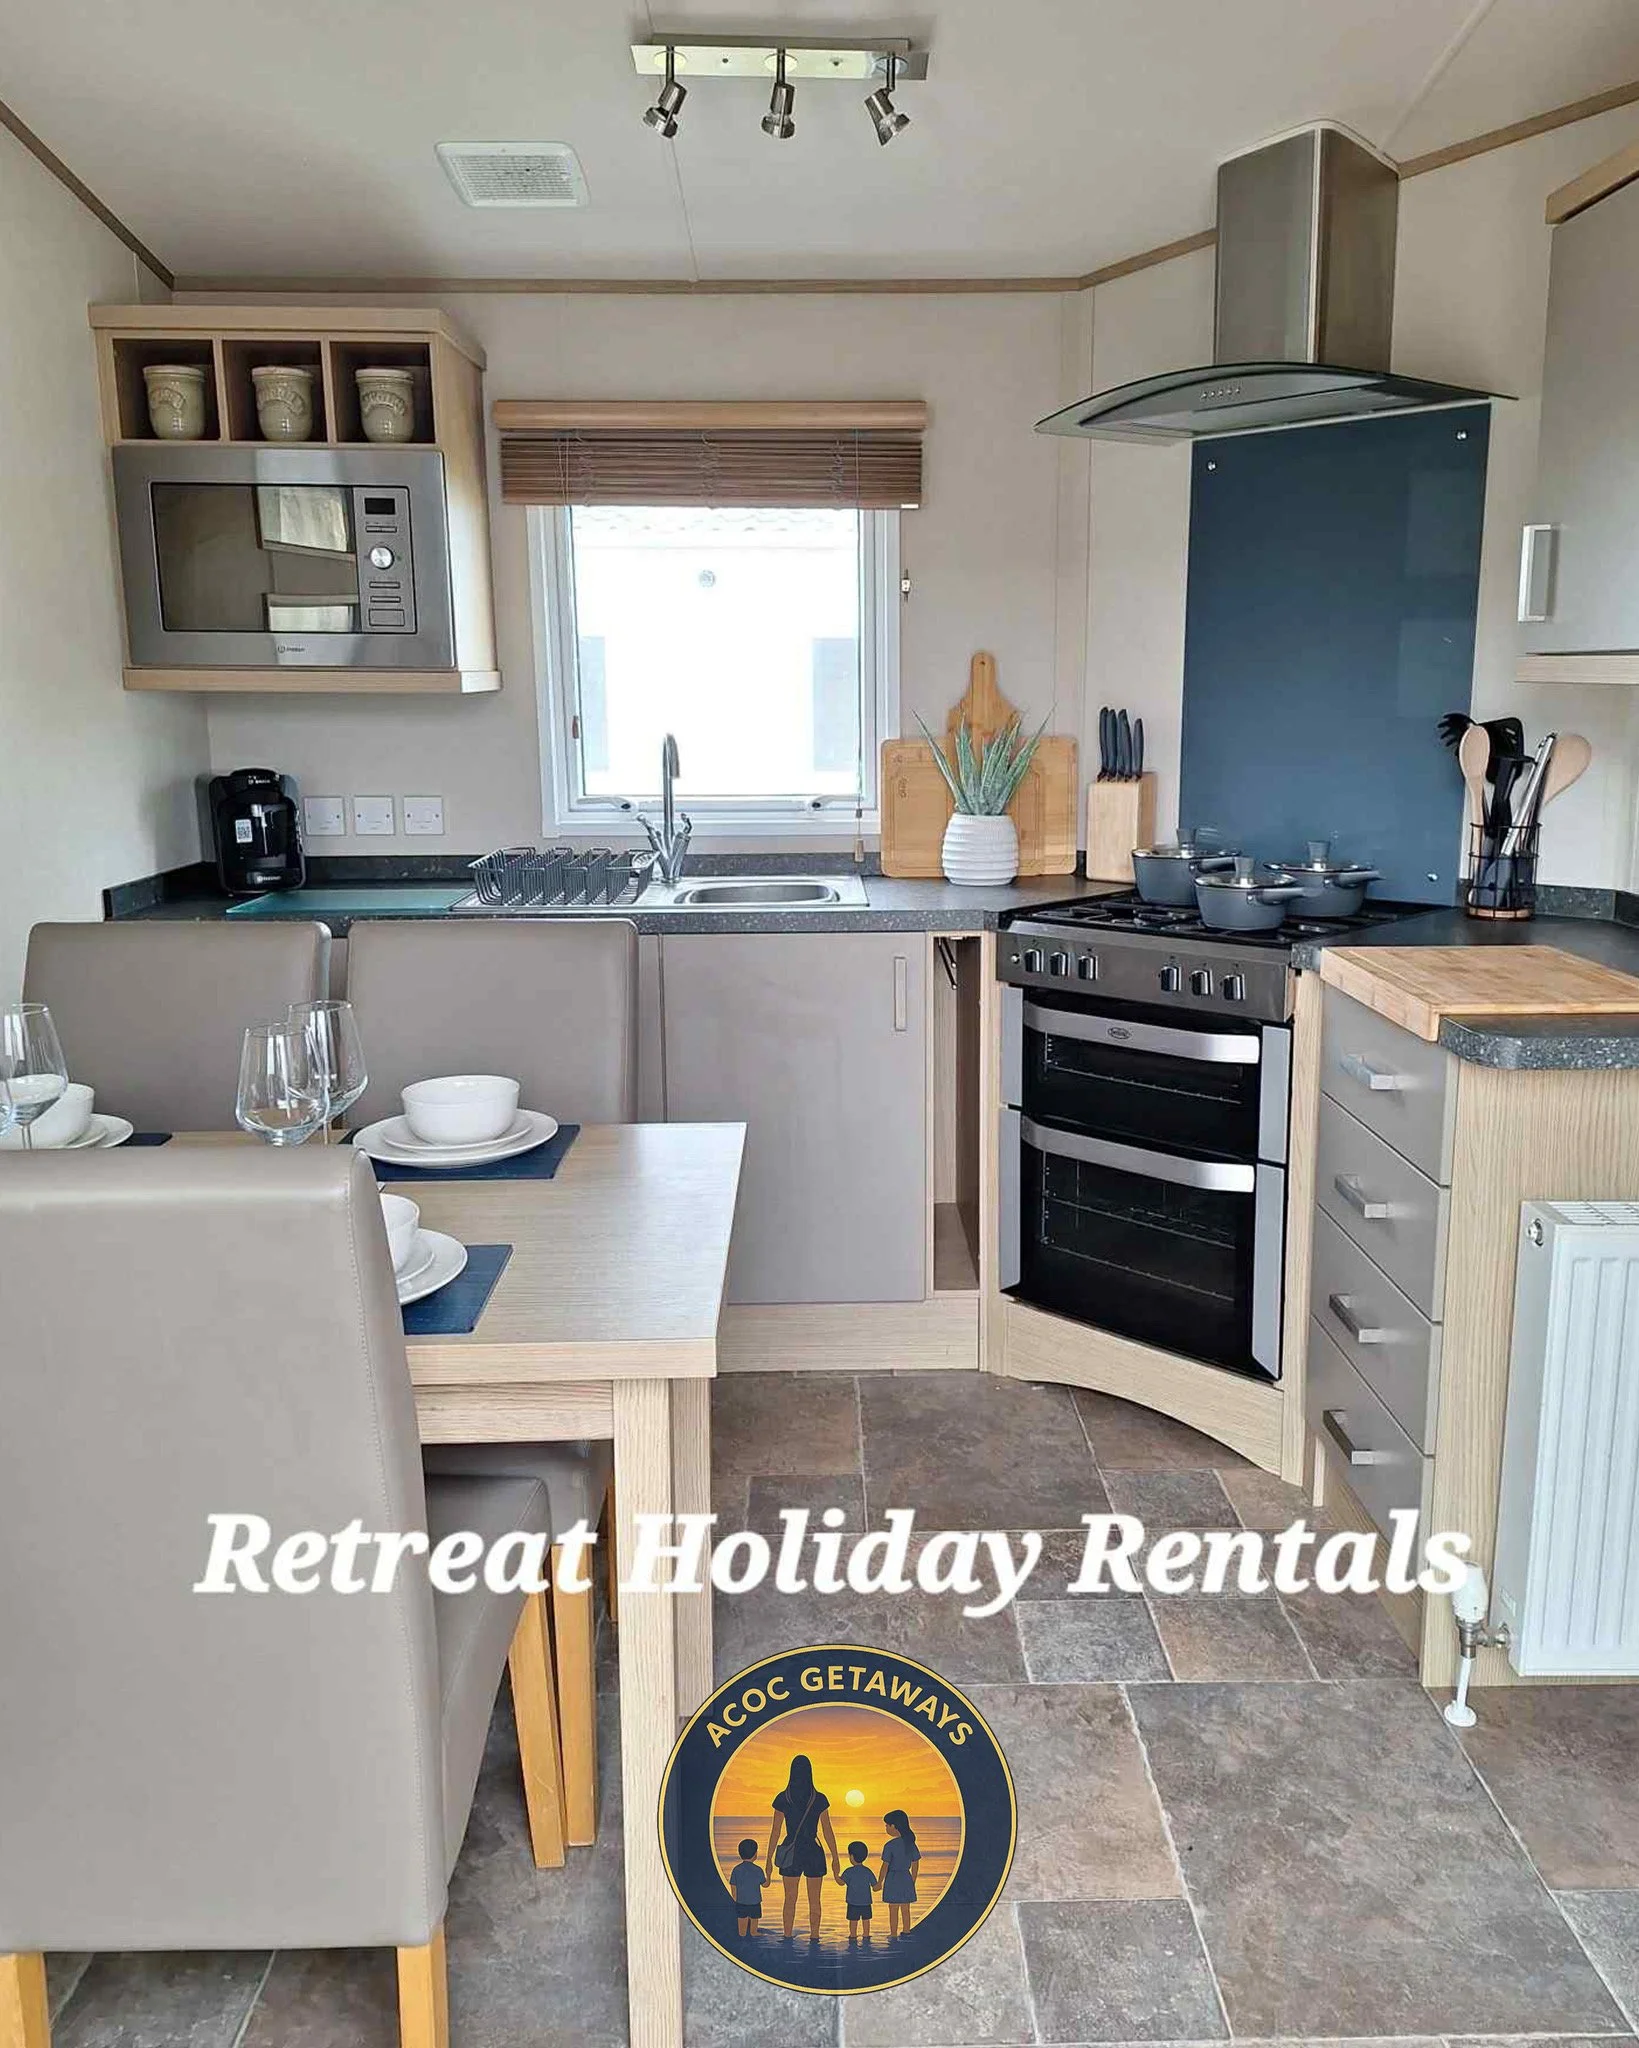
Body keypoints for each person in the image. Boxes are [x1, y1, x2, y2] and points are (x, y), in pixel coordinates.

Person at [764, 1753, 840, 1940]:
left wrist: (768, 1859)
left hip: (791, 1851)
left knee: (790, 1899)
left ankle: (788, 1937)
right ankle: (814, 1937)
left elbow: (775, 1831)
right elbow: (827, 1831)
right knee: (815, 1900)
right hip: (814, 1851)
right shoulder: (819, 1798)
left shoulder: (783, 1798)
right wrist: (835, 1857)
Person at [879, 1809, 920, 1937]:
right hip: (906, 1878)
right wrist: (912, 1880)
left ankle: (893, 1934)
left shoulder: (889, 1845)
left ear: (894, 1826)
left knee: (893, 1908)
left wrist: (879, 1882)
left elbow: (884, 1866)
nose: (886, 1828)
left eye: (887, 1825)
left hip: (893, 1878)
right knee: (905, 1908)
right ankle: (906, 1930)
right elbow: (915, 1863)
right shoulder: (910, 1843)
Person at [838, 1839, 878, 1944]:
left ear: (851, 1856)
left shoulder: (849, 1871)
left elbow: (841, 1882)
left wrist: (835, 1874)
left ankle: (853, 1936)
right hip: (866, 1902)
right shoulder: (868, 1871)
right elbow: (875, 1885)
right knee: (866, 1921)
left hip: (853, 1902)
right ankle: (866, 1936)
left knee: (853, 1921)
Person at [728, 1836, 766, 1938]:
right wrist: (769, 1876)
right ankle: (754, 1933)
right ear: (755, 1854)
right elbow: (765, 1884)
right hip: (755, 1902)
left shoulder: (736, 1869)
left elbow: (733, 1885)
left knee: (742, 1928)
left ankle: (742, 1934)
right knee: (754, 1924)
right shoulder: (758, 1870)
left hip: (741, 1902)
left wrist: (735, 1899)